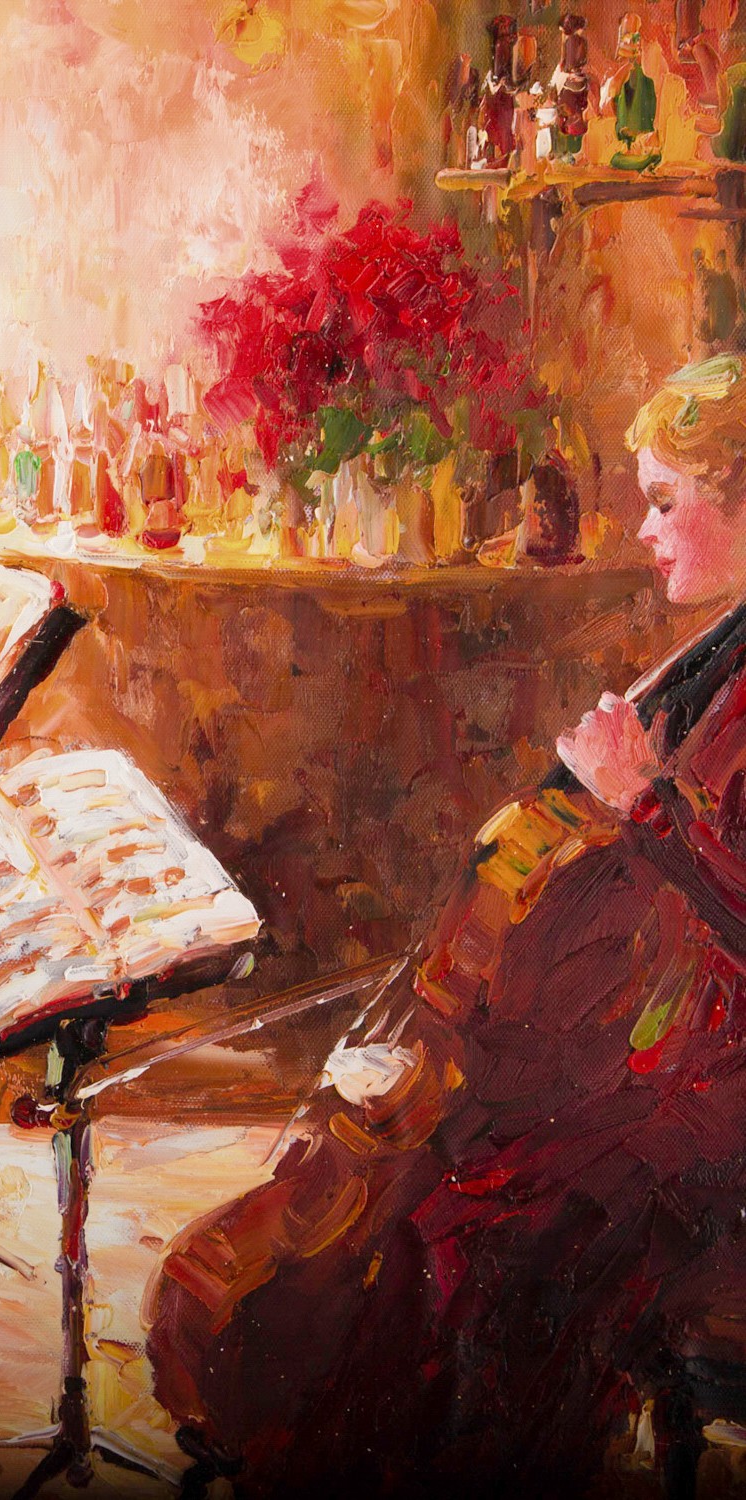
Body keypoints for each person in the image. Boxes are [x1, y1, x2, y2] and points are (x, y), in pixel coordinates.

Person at [146, 354, 746, 1497]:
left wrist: (643, 804)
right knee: (432, 1185)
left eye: (667, 501)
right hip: (650, 1051)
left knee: (477, 1234)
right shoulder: (717, 661)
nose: (645, 529)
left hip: (713, 1095)